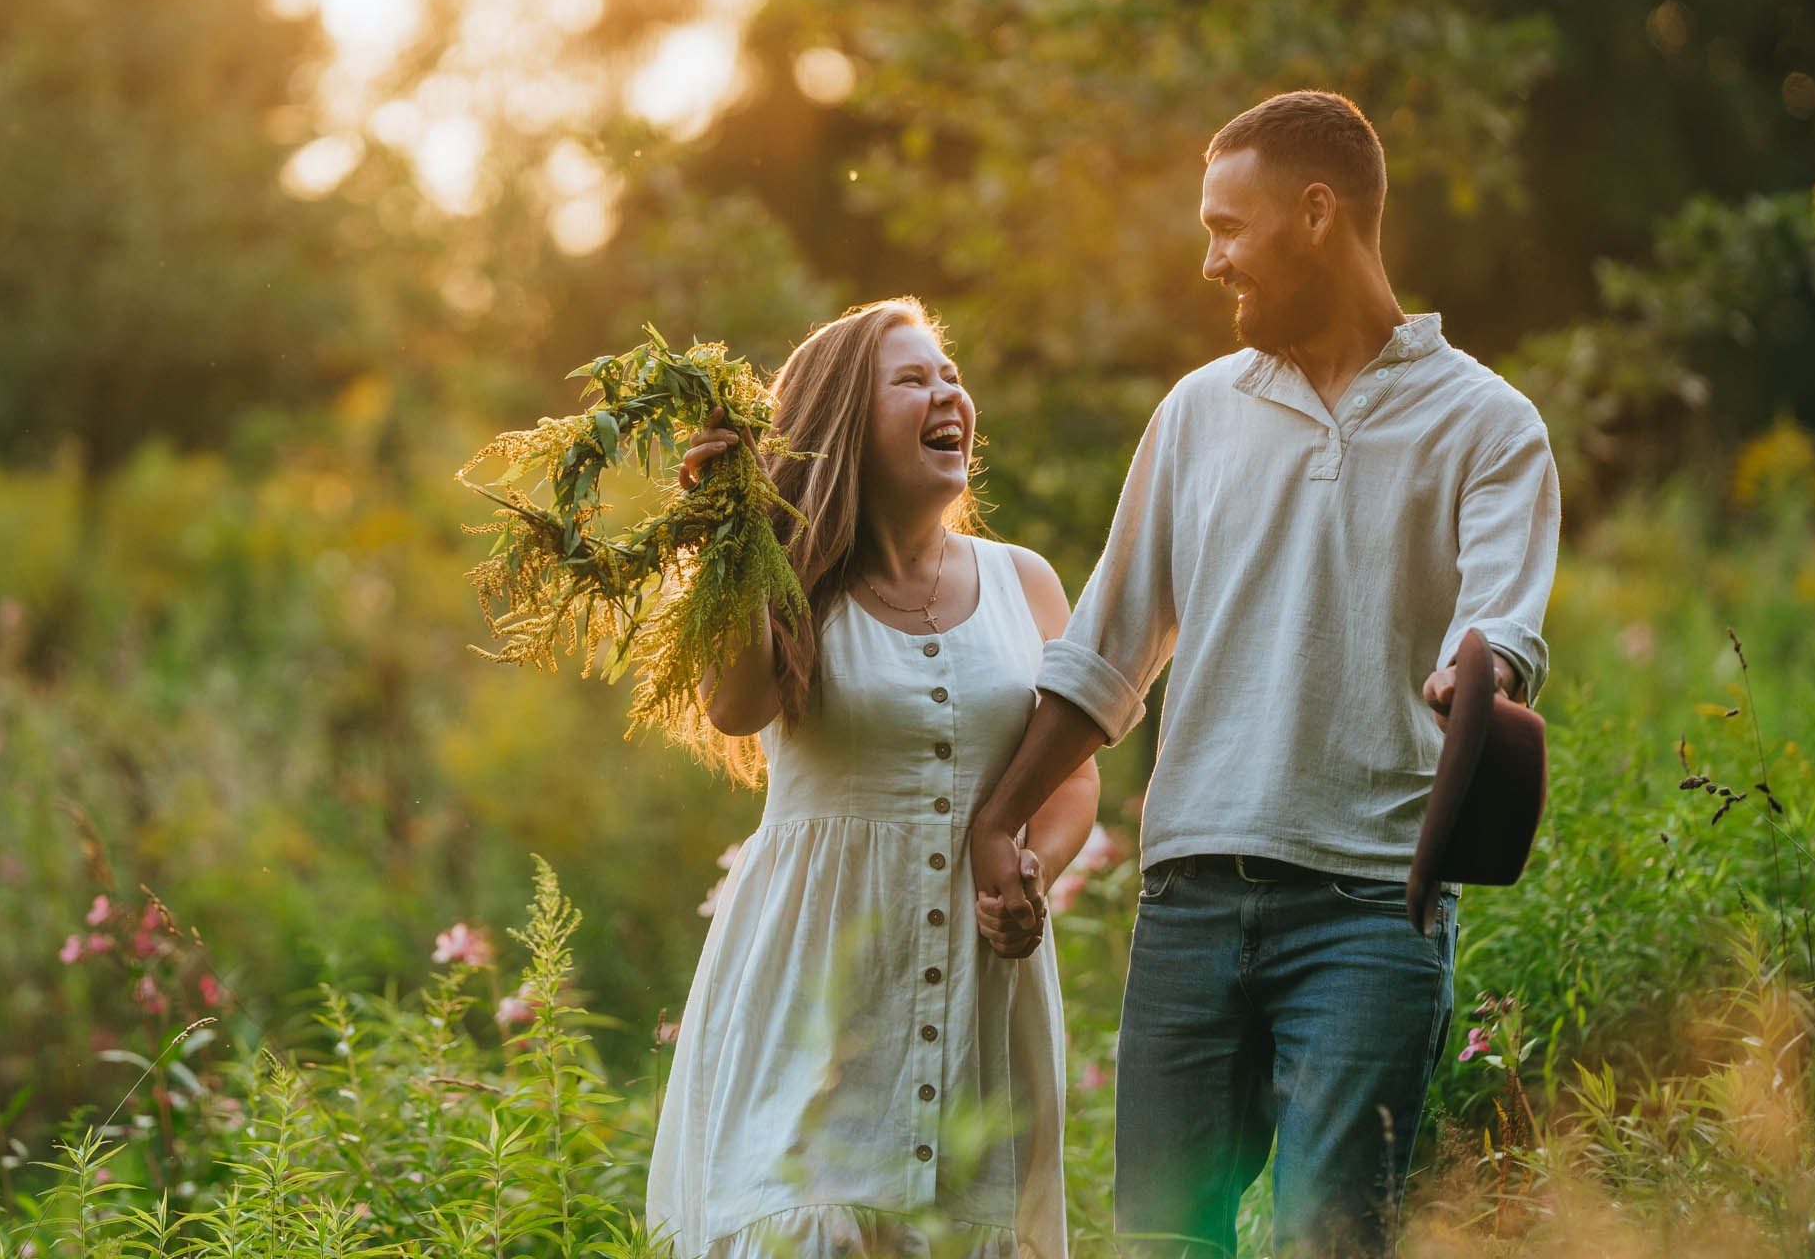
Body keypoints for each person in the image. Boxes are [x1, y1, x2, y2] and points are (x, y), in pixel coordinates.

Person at [967, 91, 1561, 1256]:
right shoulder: (1197, 413)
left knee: (1330, 1239)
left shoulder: (1489, 425)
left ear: (1317, 213)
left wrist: (1468, 681)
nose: (1210, 259)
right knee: (1163, 1242)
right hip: (1189, 902)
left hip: (1372, 910)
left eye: (1229, 228)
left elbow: (1502, 632)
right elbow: (1104, 651)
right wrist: (1002, 818)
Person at [648, 297, 1099, 1259]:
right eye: (912, 378)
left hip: (983, 996)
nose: (948, 394)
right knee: (808, 1228)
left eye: (950, 376)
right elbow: (733, 707)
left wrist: (1033, 873)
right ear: (844, 423)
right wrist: (730, 532)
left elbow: (1068, 776)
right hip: (816, 987)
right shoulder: (794, 577)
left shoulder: (1026, 582)